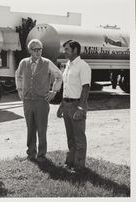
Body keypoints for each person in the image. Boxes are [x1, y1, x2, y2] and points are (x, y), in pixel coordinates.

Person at [15, 39, 63, 162]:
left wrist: (54, 91)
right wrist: (20, 89)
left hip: (42, 101)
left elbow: (59, 76)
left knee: (42, 129)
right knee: (30, 128)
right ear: (30, 50)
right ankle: (31, 154)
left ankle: (41, 155)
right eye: (35, 49)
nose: (38, 52)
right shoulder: (24, 62)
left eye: (40, 49)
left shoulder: (47, 63)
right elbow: (18, 75)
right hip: (27, 101)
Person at [57, 40, 91, 173]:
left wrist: (81, 108)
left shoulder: (83, 66)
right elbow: (66, 88)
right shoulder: (68, 65)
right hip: (66, 104)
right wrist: (61, 105)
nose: (64, 51)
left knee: (79, 137)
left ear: (75, 50)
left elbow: (86, 88)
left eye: (66, 49)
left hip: (77, 104)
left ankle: (79, 167)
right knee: (70, 136)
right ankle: (70, 162)